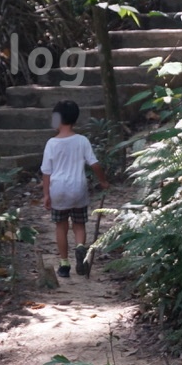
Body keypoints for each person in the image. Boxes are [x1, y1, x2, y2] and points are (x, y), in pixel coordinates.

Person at [41, 100, 109, 279]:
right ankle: (80, 247)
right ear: (75, 120)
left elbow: (46, 172)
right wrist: (103, 181)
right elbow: (94, 164)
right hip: (78, 188)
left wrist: (46, 194)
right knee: (79, 225)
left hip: (58, 190)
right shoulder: (82, 140)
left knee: (61, 227)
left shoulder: (51, 143)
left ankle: (64, 265)